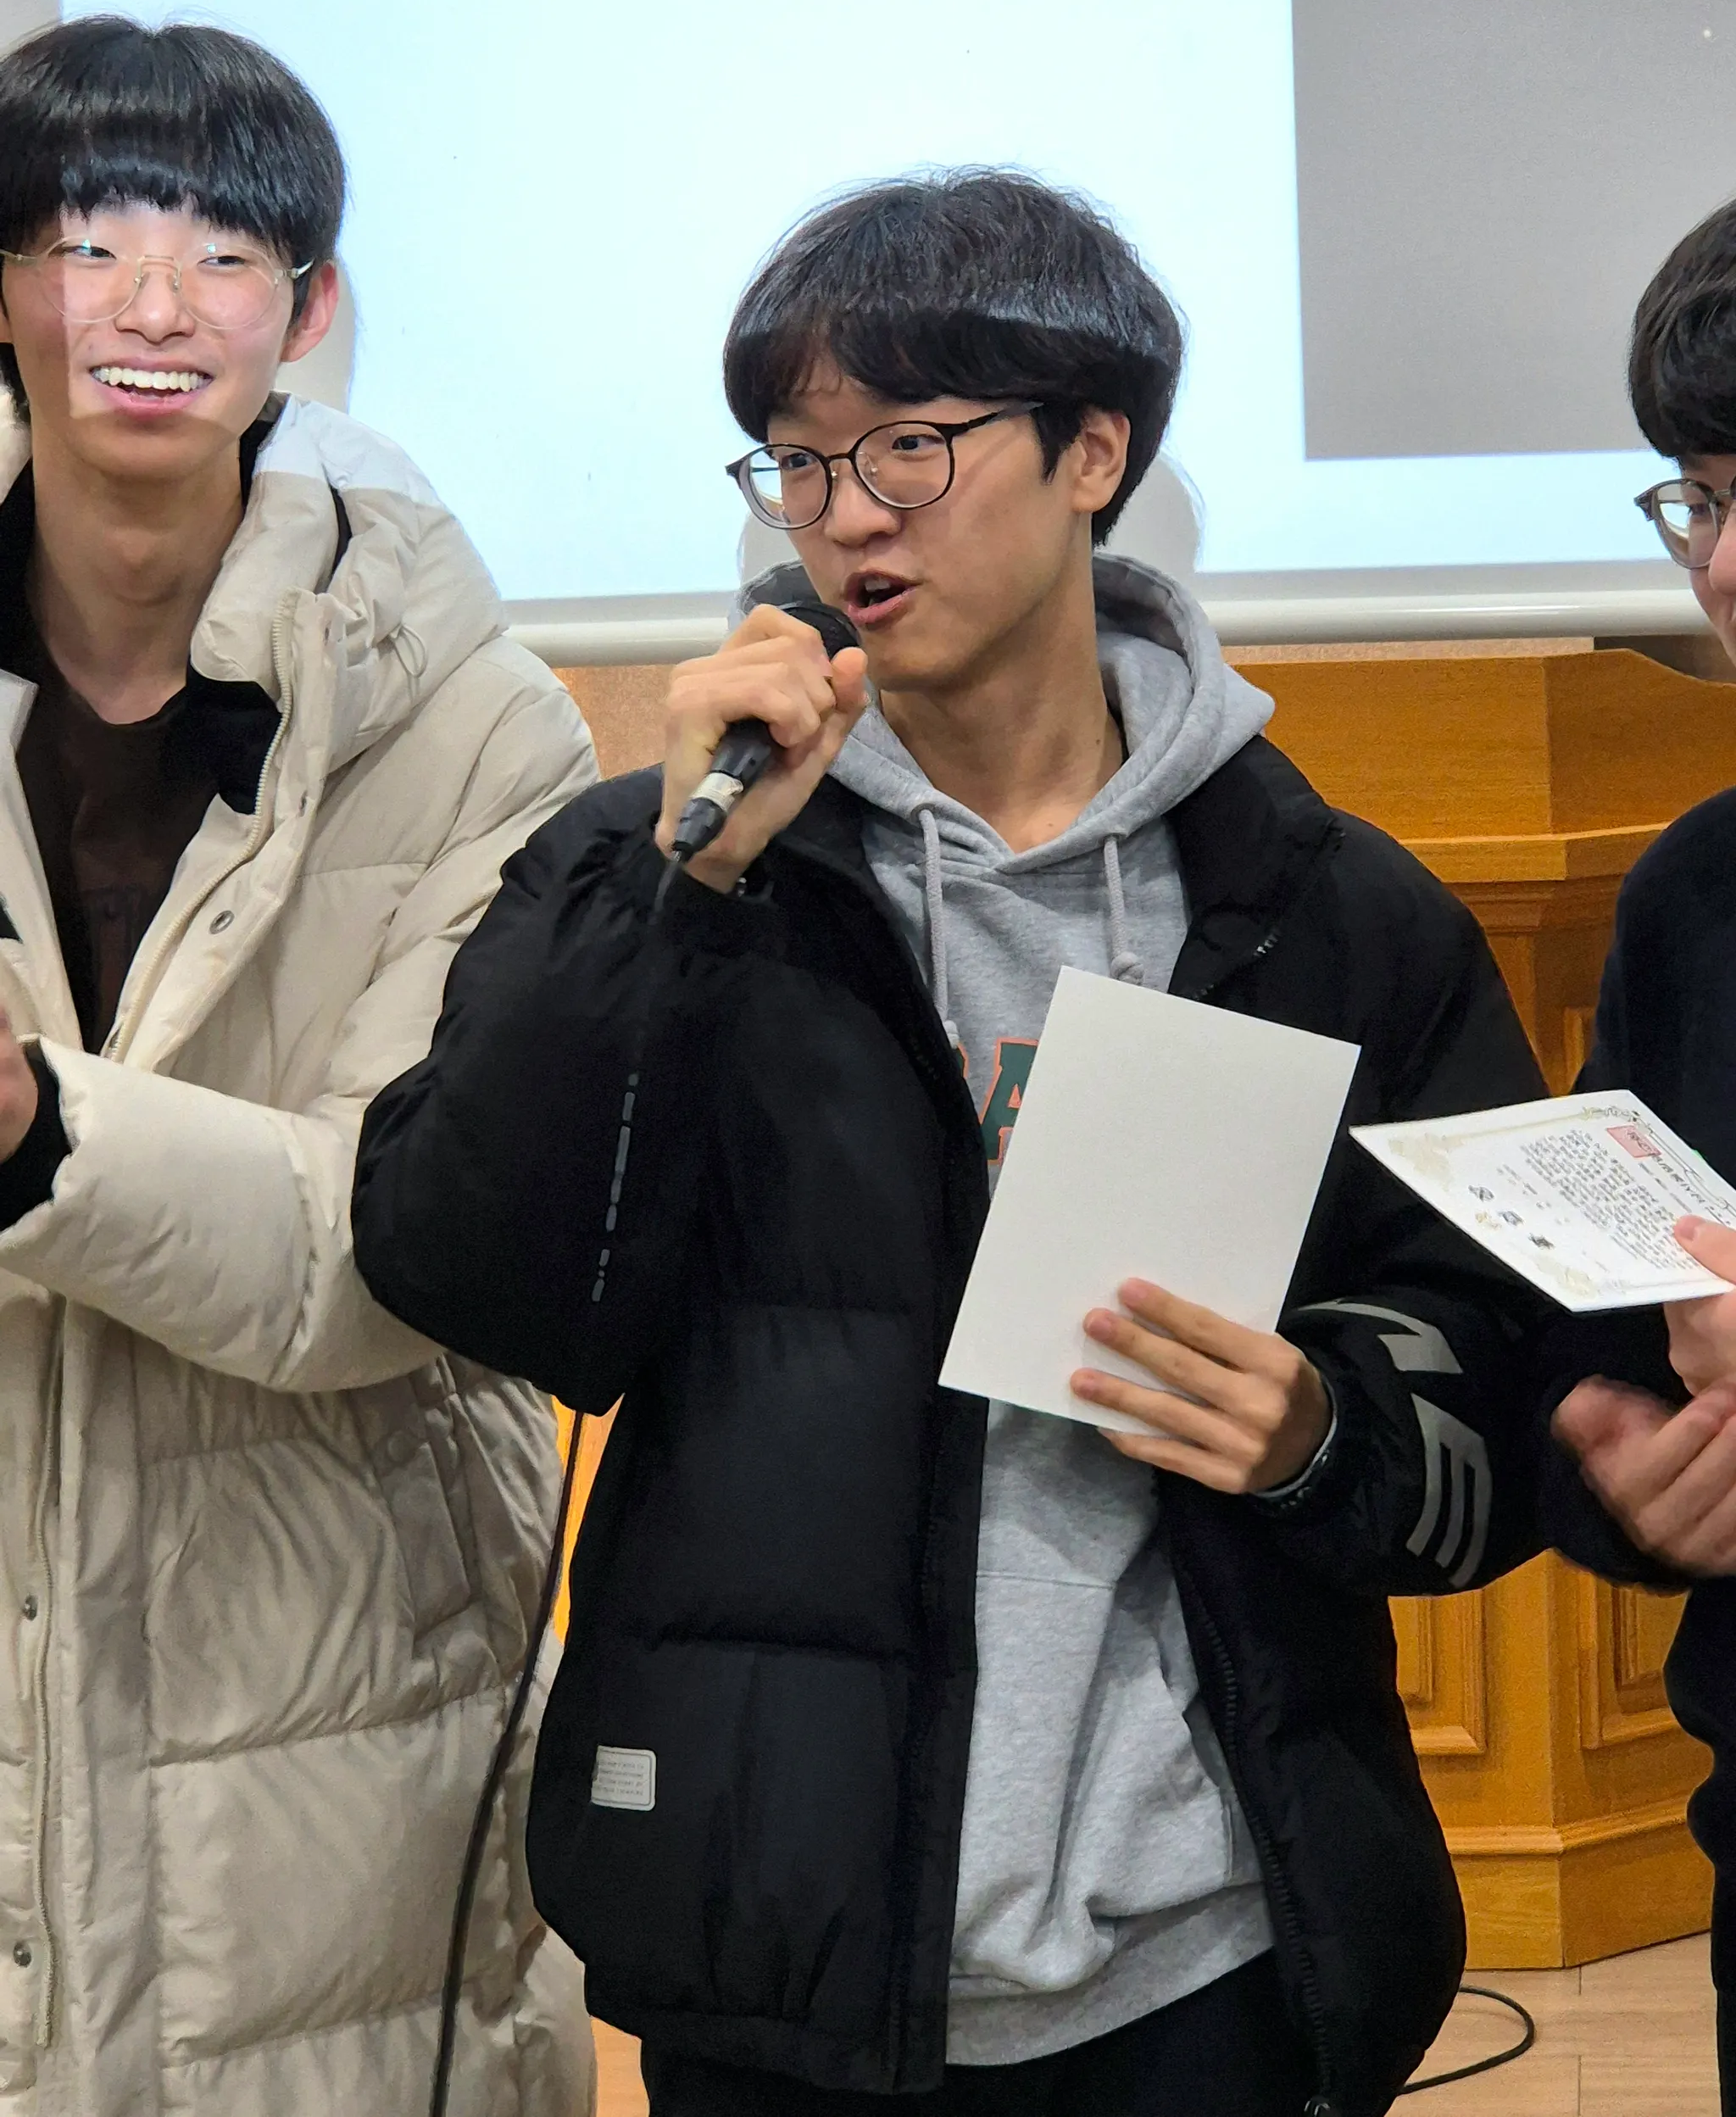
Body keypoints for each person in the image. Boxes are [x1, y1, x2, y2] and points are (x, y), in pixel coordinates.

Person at [353, 170, 1548, 2117]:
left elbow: (1495, 1353)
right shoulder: (664, 859)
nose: (842, 515)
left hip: (1211, 1941)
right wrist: (672, 899)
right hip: (784, 1932)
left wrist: (1321, 1431)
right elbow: (470, 1272)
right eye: (797, 461)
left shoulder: (1323, 906)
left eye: (907, 445)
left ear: (1094, 454)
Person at [0, 15, 598, 2116]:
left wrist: (35, 1133)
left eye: (227, 252)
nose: (156, 306)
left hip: (329, 1697)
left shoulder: (480, 723)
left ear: (310, 311)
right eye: (89, 242)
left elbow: (399, 1250)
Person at [1546, 194, 1736, 2114]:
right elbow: (1607, 1331)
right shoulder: (1693, 896)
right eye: (1701, 498)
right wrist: (1629, 1478)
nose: (1727, 565)